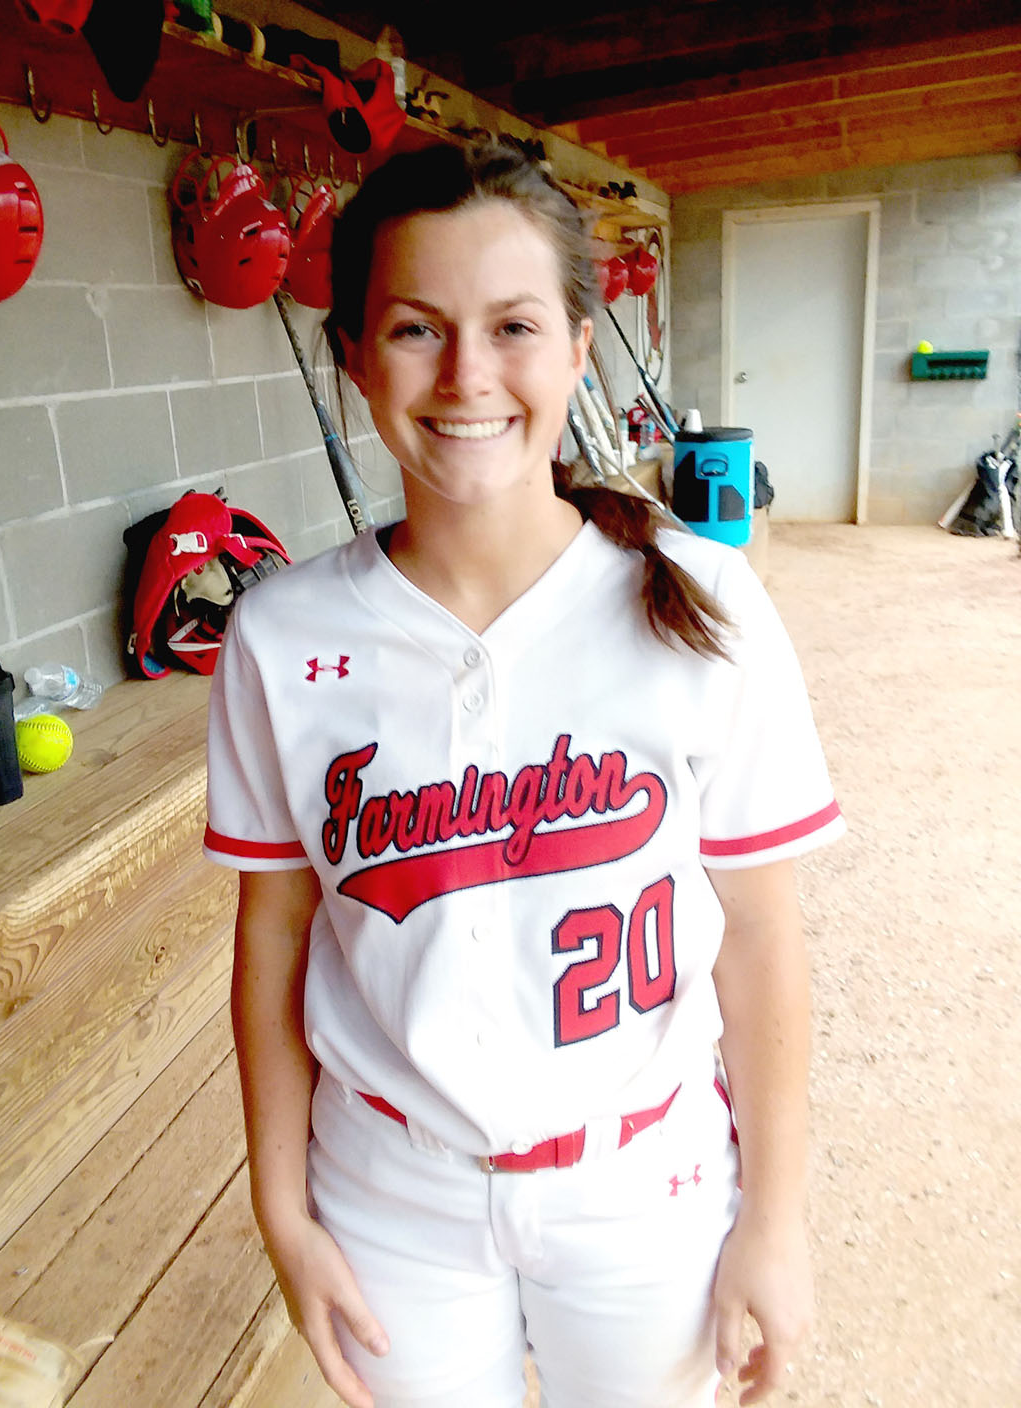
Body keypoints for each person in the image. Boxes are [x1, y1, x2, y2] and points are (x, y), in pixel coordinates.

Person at [203, 141, 845, 1408]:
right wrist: (282, 1207)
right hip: (394, 1193)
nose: (466, 378)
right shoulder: (281, 638)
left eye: (512, 326)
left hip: (642, 1187)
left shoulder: (703, 602)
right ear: (349, 356)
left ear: (575, 352)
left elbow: (761, 934)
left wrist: (775, 1218)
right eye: (413, 329)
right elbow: (271, 933)